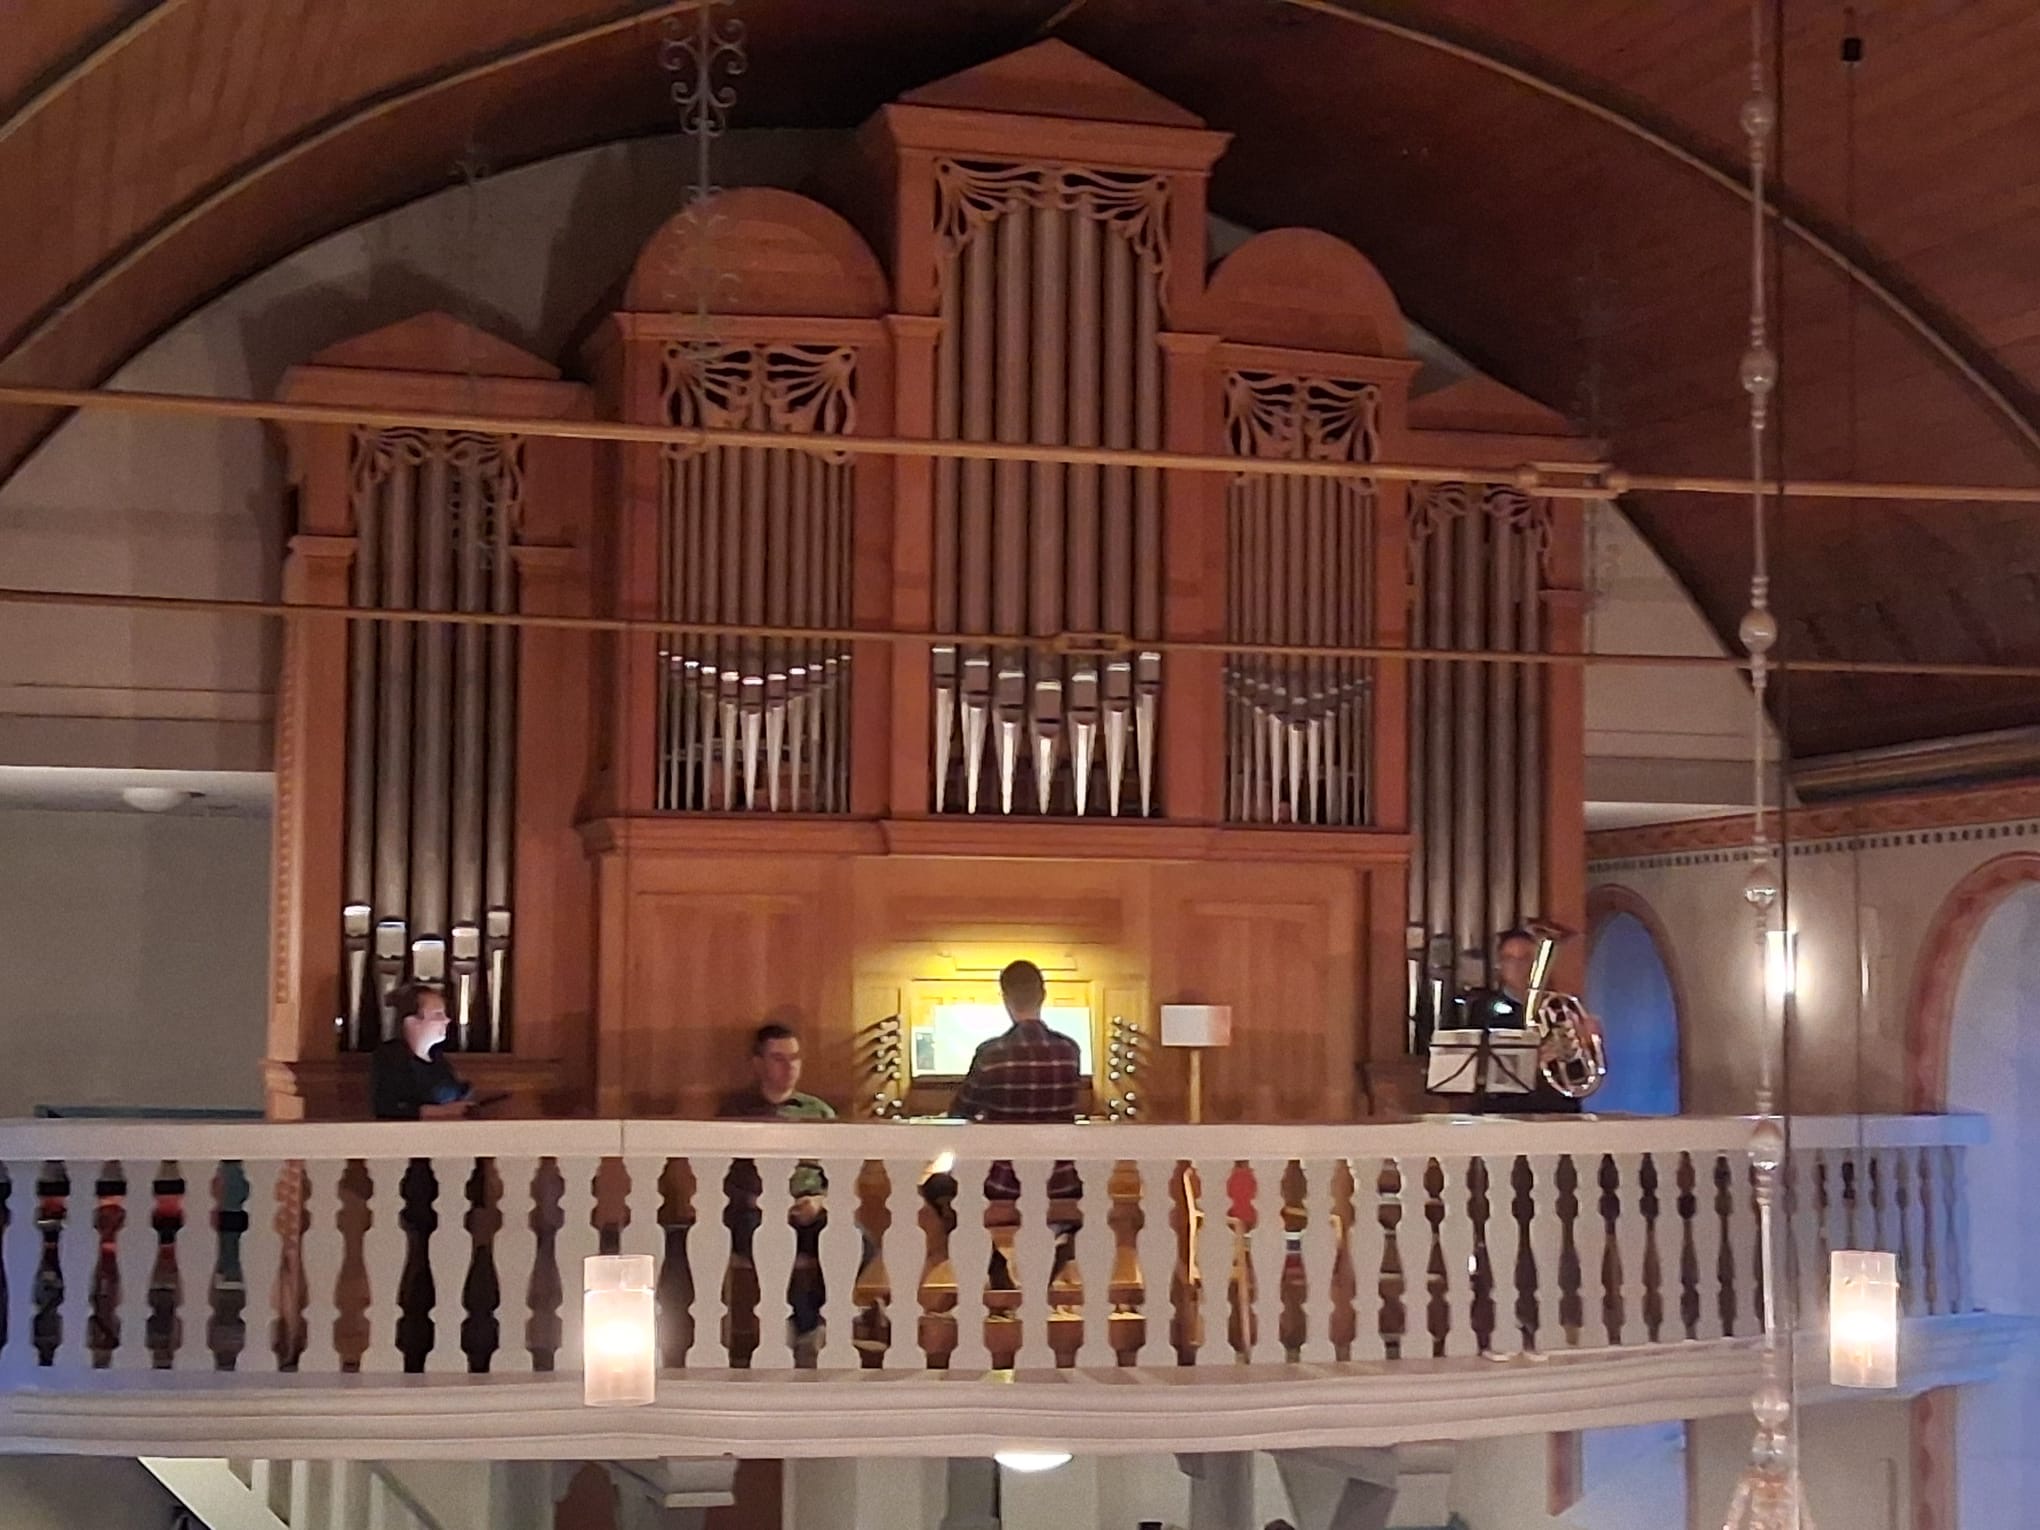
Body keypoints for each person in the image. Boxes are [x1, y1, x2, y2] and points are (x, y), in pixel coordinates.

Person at [949, 959, 1083, 1288]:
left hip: (1003, 1183)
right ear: (1043, 995)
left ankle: (995, 1267)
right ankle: (1062, 1244)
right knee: (1092, 1192)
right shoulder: (1069, 1050)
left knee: (939, 1189)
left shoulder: (991, 1053)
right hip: (1059, 1180)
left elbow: (960, 1112)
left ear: (1005, 998)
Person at [717, 1023, 836, 1359]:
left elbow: (839, 1173)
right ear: (758, 1064)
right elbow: (722, 1176)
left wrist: (819, 1201)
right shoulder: (735, 1111)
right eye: (778, 1059)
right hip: (754, 1211)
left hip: (808, 1209)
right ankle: (804, 1325)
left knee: (857, 1240)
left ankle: (808, 1319)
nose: (789, 1067)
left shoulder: (819, 1112)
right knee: (770, 1240)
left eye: (795, 1058)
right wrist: (763, 1203)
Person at [1455, 928, 1600, 1115]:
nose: (1517, 966)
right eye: (1509, 959)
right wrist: (1532, 1059)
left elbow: (1580, 1078)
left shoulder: (1562, 1008)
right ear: (1500, 965)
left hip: (1557, 1109)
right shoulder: (1482, 1008)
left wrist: (1586, 1045)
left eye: (1525, 959)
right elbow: (1478, 1069)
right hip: (1502, 1110)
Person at [370, 982, 474, 1120]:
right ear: (411, 1021)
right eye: (438, 1014)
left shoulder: (438, 1060)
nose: (446, 1020)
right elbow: (387, 1108)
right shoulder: (390, 1057)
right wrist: (442, 1111)